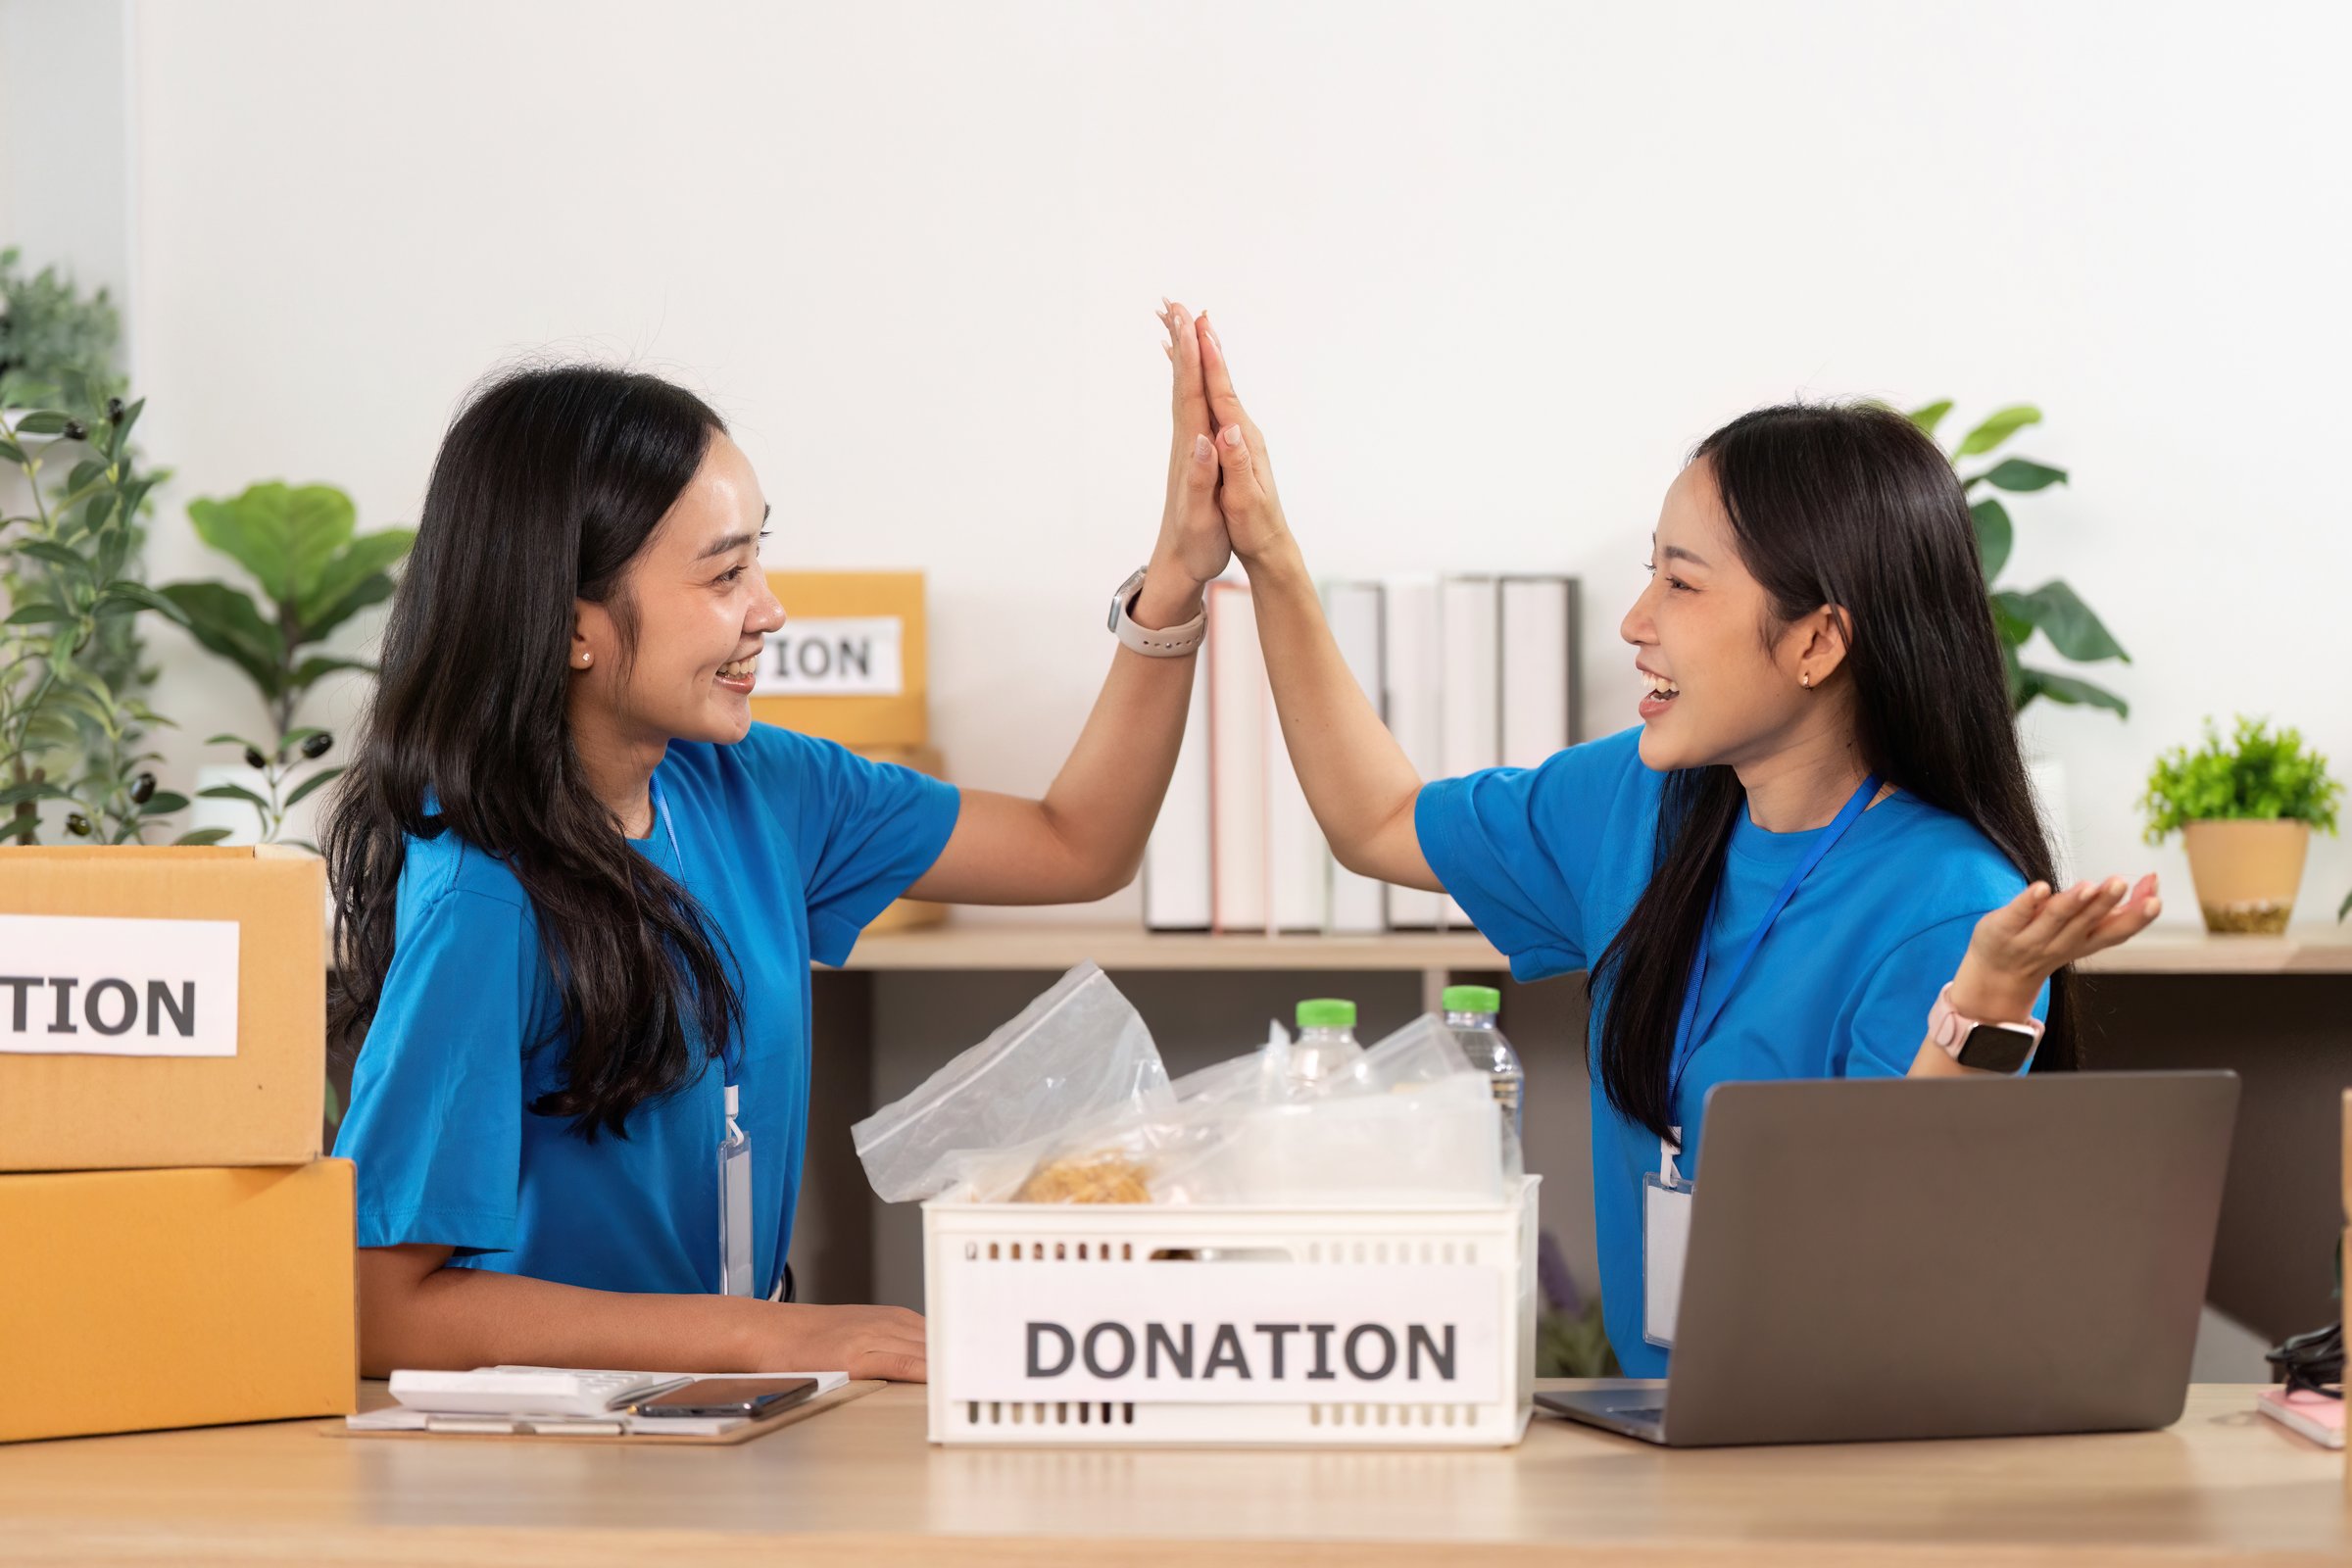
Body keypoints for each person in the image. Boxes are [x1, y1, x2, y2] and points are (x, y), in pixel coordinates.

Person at [1182, 313, 2161, 1375]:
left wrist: (1986, 1004)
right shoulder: (1639, 803)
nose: (1636, 619)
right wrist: (1269, 554)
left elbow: (1895, 1266)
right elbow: (1373, 819)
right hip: (1657, 1442)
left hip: (1838, 1459)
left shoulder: (1945, 902)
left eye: (1683, 585)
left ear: (1818, 640)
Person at [328, 302, 1230, 1382]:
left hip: (727, 1410)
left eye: (760, 559)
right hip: (558, 1457)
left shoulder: (754, 785)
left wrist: (1174, 582)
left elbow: (1078, 844)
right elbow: (381, 1309)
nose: (772, 609)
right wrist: (773, 1333)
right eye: (723, 576)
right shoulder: (482, 895)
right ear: (572, 623)